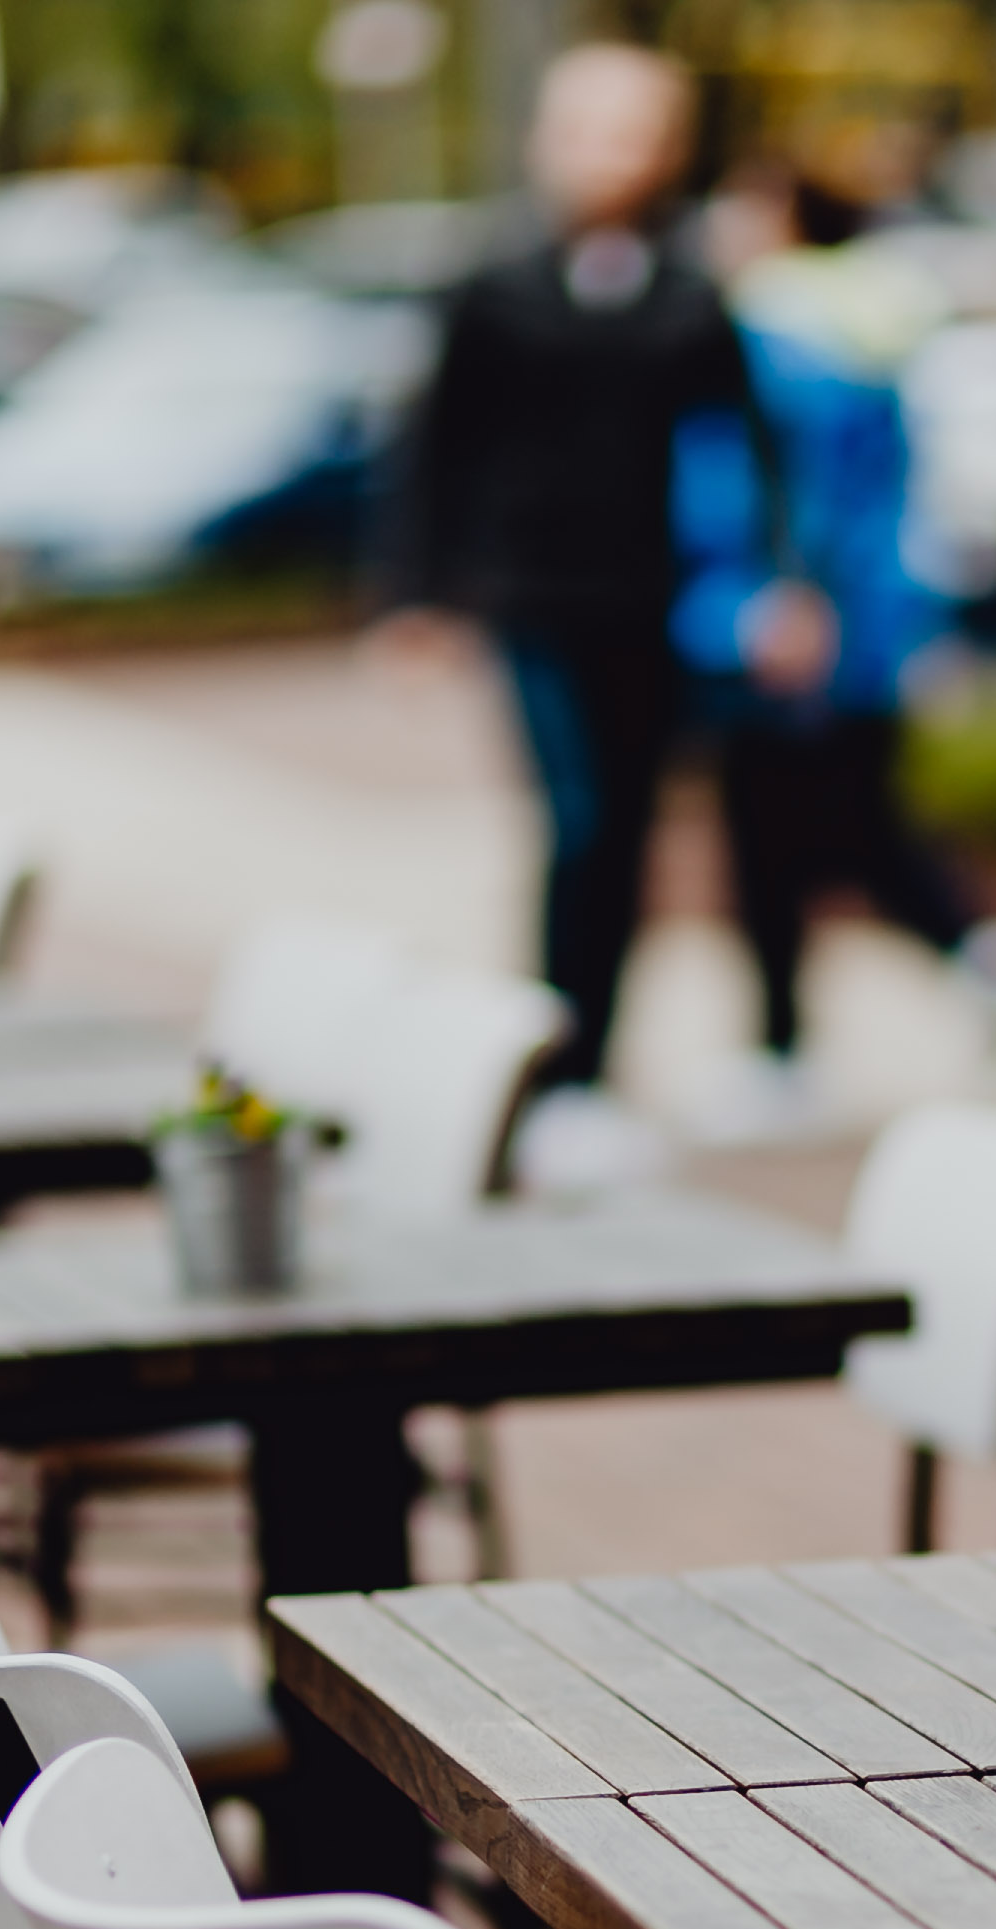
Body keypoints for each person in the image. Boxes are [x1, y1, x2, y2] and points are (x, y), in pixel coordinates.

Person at [376, 44, 821, 1188]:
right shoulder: (494, 283)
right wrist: (416, 597)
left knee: (626, 832)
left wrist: (780, 580)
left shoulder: (688, 288)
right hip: (531, 599)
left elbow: (754, 441)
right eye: (589, 131)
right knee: (577, 824)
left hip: (650, 600)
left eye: (635, 134)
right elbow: (434, 447)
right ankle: (556, 1072)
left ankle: (595, 1069)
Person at [675, 169, 996, 1145]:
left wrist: (762, 606)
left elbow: (752, 487)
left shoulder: (769, 337)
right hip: (873, 632)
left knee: (771, 848)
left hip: (786, 633)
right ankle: (979, 957)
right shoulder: (884, 324)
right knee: (862, 826)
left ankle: (784, 1052)